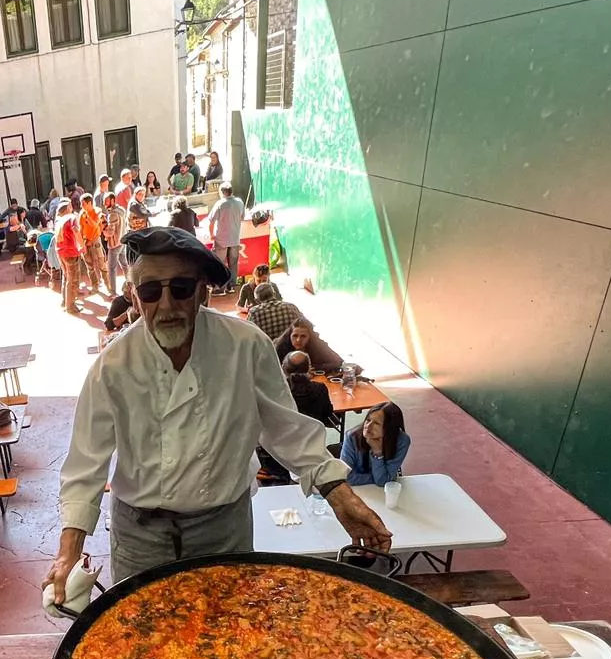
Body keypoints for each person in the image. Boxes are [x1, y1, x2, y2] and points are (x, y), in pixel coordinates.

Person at [44, 227, 390, 594]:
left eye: (180, 288)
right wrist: (68, 553)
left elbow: (285, 429)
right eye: (150, 291)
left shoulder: (245, 346)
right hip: (140, 535)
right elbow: (86, 464)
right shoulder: (113, 366)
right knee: (144, 638)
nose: (166, 305)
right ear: (134, 295)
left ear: (202, 290)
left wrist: (339, 494)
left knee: (229, 625)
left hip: (223, 528)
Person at [341, 404, 409, 486]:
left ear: (389, 428)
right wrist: (381, 478)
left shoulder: (401, 441)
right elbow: (346, 477)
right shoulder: (352, 437)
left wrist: (378, 453)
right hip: (358, 490)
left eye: (376, 423)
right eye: (368, 420)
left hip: (382, 492)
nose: (368, 426)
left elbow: (383, 481)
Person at [281, 349, 337, 427]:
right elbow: (328, 412)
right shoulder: (320, 388)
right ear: (308, 368)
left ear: (284, 367)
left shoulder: (280, 390)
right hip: (314, 433)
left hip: (286, 432)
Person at [207, 183, 245, 284]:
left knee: (221, 264)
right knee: (233, 263)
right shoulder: (240, 202)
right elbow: (242, 217)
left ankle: (222, 286)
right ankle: (232, 285)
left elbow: (211, 222)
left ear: (222, 193)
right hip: (235, 239)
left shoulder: (220, 204)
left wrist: (211, 235)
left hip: (221, 239)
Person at [53, 201, 84, 312]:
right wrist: (82, 245)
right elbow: (75, 230)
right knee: (72, 279)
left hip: (61, 252)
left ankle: (65, 300)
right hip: (70, 252)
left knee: (66, 277)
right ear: (68, 208)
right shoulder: (71, 217)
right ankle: (70, 305)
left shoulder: (58, 221)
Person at [78, 196, 107, 296]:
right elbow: (80, 228)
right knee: (89, 266)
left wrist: (88, 217)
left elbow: (96, 226)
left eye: (84, 204)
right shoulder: (81, 214)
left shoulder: (97, 211)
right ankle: (95, 286)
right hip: (86, 240)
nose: (81, 206)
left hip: (95, 240)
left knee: (101, 263)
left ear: (90, 203)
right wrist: (82, 243)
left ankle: (108, 285)